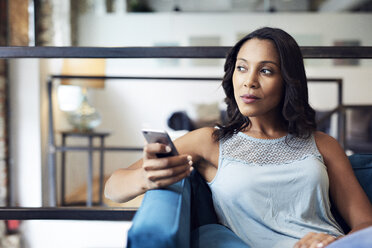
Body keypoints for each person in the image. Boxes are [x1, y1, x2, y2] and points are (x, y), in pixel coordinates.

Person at [105, 27, 372, 248]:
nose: (249, 81)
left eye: (266, 70)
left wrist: (333, 242)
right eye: (242, 68)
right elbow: (113, 188)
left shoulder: (323, 144)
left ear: (289, 81)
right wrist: (145, 177)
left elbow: (365, 224)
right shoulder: (209, 141)